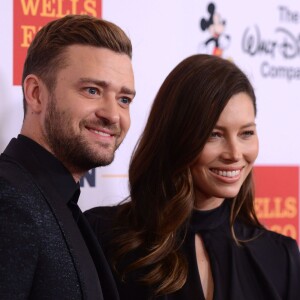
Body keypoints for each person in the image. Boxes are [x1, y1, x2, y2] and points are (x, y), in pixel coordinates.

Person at [85, 54, 300, 300]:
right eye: (214, 135)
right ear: (178, 137)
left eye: (246, 133)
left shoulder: (279, 256)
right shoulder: (105, 237)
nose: (235, 153)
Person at [0, 14, 135, 300]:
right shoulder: (8, 198)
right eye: (92, 90)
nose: (112, 114)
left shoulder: (61, 204)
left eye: (124, 99)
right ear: (36, 94)